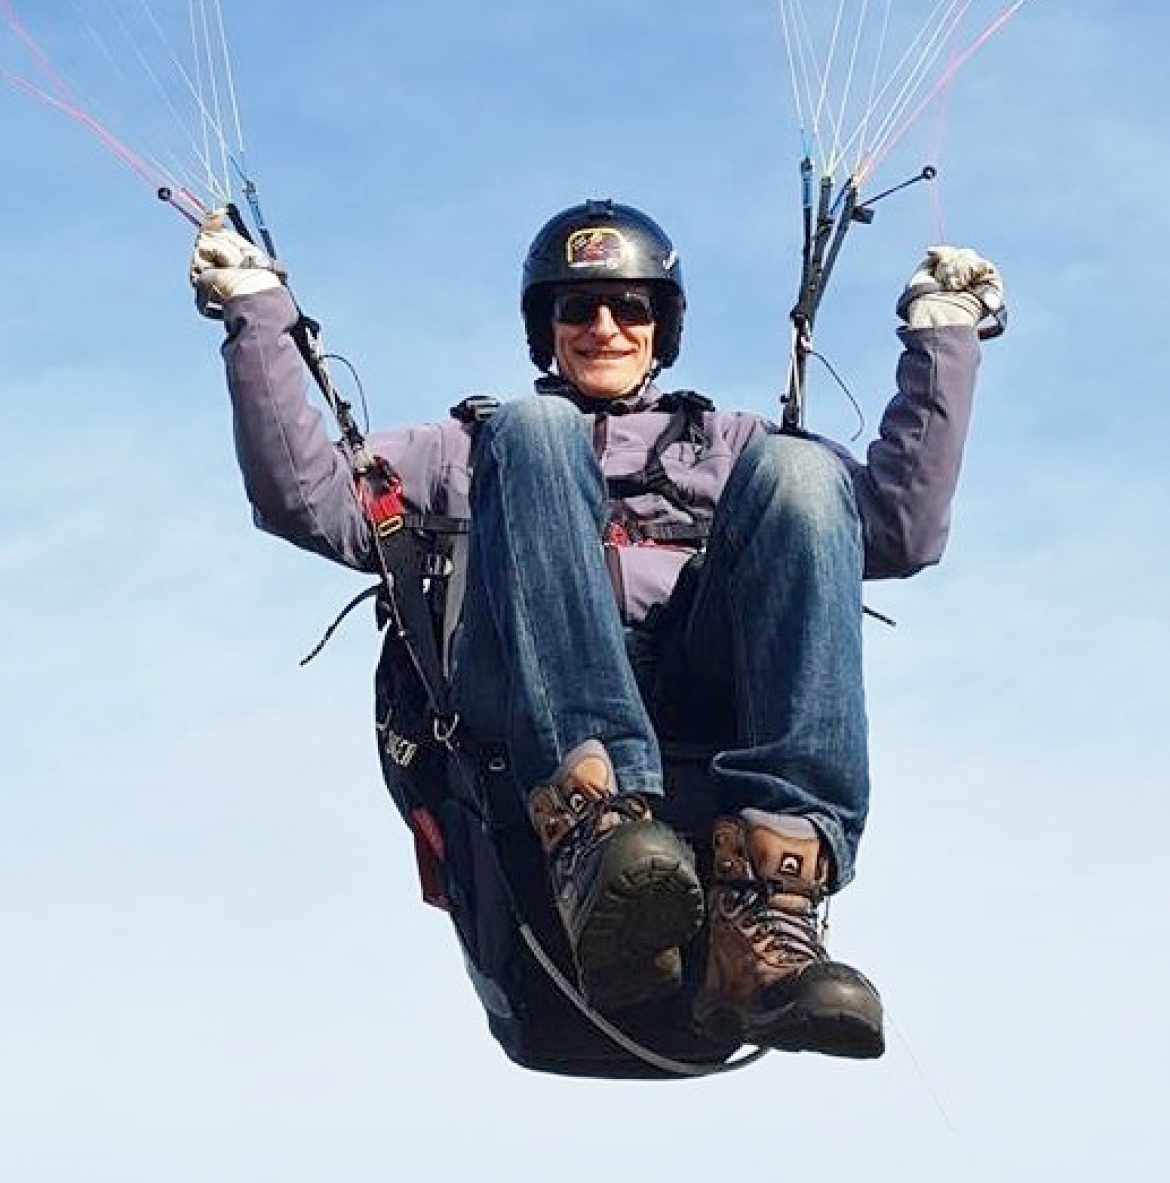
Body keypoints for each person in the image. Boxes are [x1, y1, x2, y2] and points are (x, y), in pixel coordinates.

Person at [189, 198, 1001, 1066]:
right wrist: (257, 314)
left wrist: (943, 343)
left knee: (803, 474)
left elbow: (899, 529)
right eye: (578, 307)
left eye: (631, 307)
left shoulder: (728, 447)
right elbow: (305, 498)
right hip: (531, 732)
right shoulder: (466, 450)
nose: (604, 327)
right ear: (548, 329)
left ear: (662, 328)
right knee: (533, 429)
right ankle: (594, 833)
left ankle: (771, 901)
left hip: (701, 702)